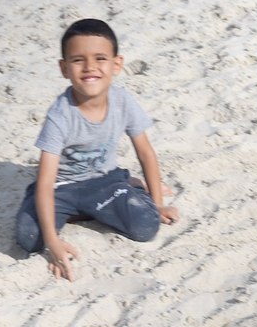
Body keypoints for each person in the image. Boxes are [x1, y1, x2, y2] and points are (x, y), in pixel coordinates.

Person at [14, 19, 178, 280]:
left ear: (116, 64)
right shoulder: (60, 115)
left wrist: (157, 203)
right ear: (64, 68)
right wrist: (54, 243)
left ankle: (127, 182)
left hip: (104, 183)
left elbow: (145, 152)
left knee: (147, 225)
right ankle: (77, 210)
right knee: (30, 238)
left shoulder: (123, 102)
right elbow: (45, 182)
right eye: (78, 60)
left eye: (100, 58)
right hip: (61, 189)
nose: (90, 67)